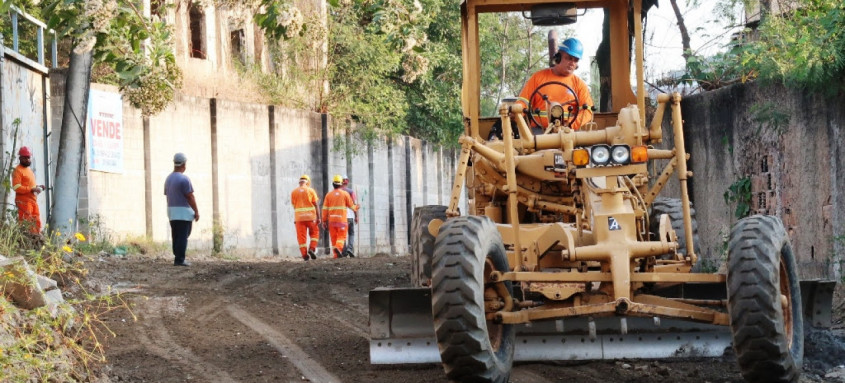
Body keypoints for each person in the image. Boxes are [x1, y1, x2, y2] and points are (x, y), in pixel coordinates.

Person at [517, 37, 594, 131]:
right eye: (569, 58)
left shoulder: (579, 84)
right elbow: (523, 102)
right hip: (539, 131)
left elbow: (587, 111)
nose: (572, 63)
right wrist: (516, 112)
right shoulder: (537, 77)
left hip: (568, 131)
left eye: (576, 60)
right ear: (558, 57)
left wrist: (569, 125)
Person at [164, 153, 199, 266]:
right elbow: (190, 196)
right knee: (183, 236)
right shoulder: (184, 179)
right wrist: (196, 211)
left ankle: (177, 257)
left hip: (172, 212)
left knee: (176, 236)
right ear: (184, 164)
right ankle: (180, 260)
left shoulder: (168, 179)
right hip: (183, 213)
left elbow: (167, 195)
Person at [322, 175, 357, 259]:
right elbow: (352, 206)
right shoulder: (345, 194)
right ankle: (338, 248)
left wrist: (324, 220)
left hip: (332, 221)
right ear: (341, 184)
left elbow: (325, 209)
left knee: (334, 238)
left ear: (333, 184)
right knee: (341, 237)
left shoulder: (328, 195)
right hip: (342, 220)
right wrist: (357, 207)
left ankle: (336, 255)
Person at [12, 146, 45, 234]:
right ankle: (27, 243)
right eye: (25, 158)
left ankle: (36, 242)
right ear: (20, 158)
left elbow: (30, 185)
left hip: (33, 201)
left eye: (28, 157)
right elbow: (16, 187)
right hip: (24, 202)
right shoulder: (17, 170)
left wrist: (38, 187)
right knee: (26, 224)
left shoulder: (29, 170)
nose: (27, 160)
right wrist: (31, 189)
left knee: (36, 222)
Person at [291, 174, 321, 261]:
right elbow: (316, 204)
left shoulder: (294, 192)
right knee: (315, 234)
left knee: (301, 237)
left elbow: (294, 206)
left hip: (299, 219)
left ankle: (304, 255)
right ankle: (311, 249)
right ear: (308, 182)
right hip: (311, 218)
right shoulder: (311, 191)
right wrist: (319, 217)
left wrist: (296, 218)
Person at [341, 175, 359, 258]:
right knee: (351, 233)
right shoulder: (351, 192)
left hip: (341, 217)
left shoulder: (336, 191)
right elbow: (354, 205)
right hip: (350, 216)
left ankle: (344, 251)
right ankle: (350, 249)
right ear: (347, 181)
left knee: (343, 234)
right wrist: (356, 216)